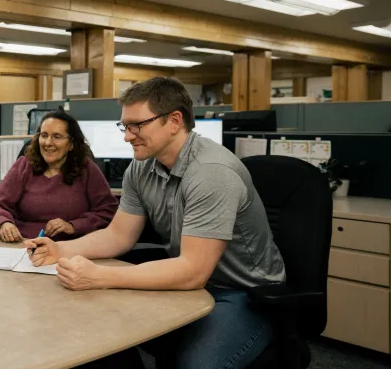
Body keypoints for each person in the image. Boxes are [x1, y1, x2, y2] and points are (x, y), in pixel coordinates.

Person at [26, 77, 286, 369]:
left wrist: (99, 277)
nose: (127, 136)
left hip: (245, 294)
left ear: (174, 121)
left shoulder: (211, 172)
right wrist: (61, 251)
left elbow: (193, 272)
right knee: (97, 332)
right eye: (125, 126)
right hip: (189, 285)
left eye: (137, 125)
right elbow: (118, 236)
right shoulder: (141, 167)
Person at [0, 109, 118, 242]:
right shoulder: (24, 166)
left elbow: (108, 211)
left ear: (71, 144)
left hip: (70, 249)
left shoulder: (86, 169)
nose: (48, 143)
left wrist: (73, 226)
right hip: (26, 245)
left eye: (57, 136)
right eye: (44, 135)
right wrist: (4, 223)